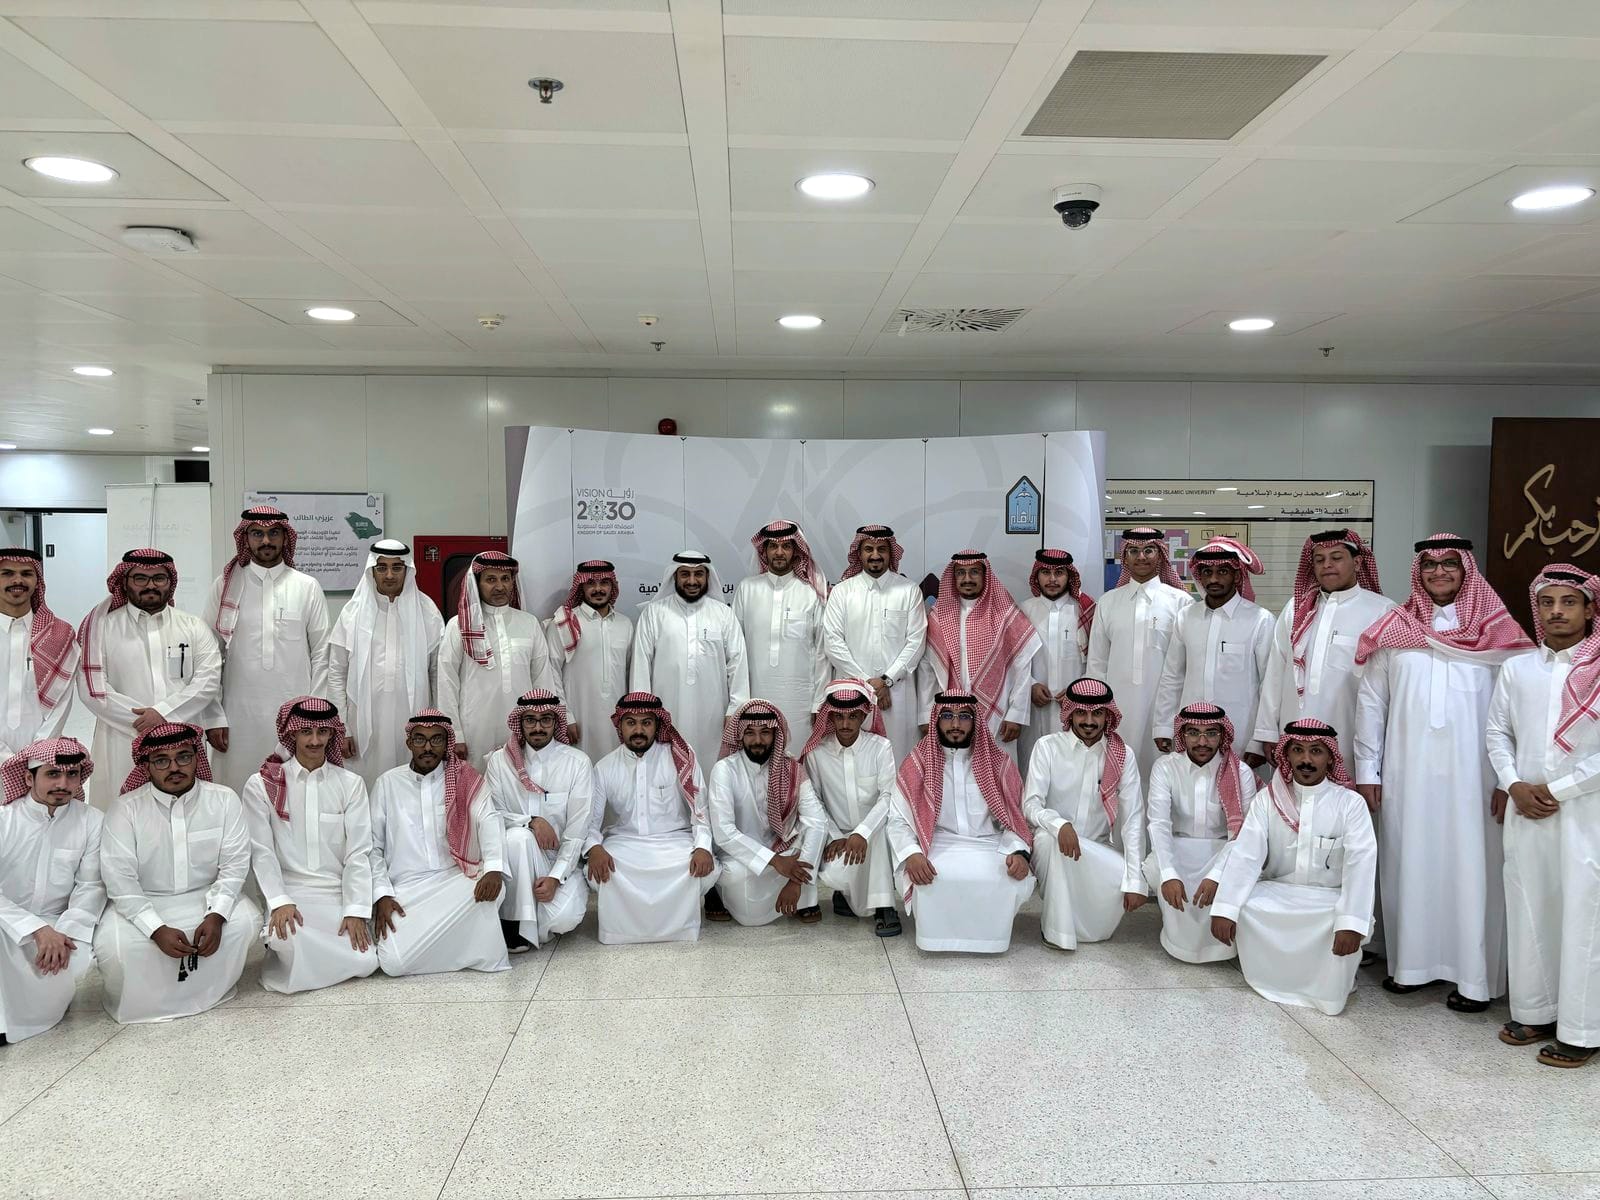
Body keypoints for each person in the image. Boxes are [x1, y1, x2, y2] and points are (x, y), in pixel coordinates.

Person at [1355, 535, 1531, 1012]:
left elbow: (1517, 715)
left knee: (1472, 868)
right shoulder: (1395, 630)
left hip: (1476, 779)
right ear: (1418, 573)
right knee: (1408, 862)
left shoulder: (1501, 635)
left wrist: (1507, 779)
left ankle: (1473, 979)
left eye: (1449, 564)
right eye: (1429, 565)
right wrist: (1369, 770)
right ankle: (1410, 967)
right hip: (1406, 774)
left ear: (1466, 570)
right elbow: (1371, 704)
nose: (1439, 572)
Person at [1485, 563, 1600, 1068]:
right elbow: (1496, 732)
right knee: (1530, 905)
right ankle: (1535, 1010)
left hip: (1586, 812)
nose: (1557, 611)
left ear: (1590, 609)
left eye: (1568, 602)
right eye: (1547, 602)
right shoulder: (1518, 669)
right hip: (1526, 809)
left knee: (1584, 914)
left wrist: (1556, 790)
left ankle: (1582, 1028)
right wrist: (1513, 783)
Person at [95, 723, 260, 1023]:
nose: (174, 767)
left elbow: (235, 864)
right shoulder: (125, 809)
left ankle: (212, 990)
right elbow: (119, 880)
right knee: (118, 948)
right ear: (147, 765)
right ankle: (142, 1005)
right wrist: (155, 929)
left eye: (183, 757)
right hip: (145, 902)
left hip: (206, 898)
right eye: (161, 760)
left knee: (246, 921)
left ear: (197, 757)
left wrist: (217, 915)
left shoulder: (224, 800)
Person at [1210, 719, 1377, 1016]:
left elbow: (1361, 864)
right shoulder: (1267, 800)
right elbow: (1246, 855)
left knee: (1341, 920)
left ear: (1330, 758)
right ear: (1286, 755)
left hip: (1327, 900)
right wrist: (1226, 908)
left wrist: (1351, 922)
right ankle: (1272, 980)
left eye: (1316, 751)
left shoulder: (1350, 804)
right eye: (1298, 750)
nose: (1306, 759)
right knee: (1249, 906)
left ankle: (1329, 987)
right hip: (1278, 892)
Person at [240, 697, 377, 995]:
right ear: (292, 733)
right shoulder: (261, 784)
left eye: (322, 732)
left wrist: (355, 909)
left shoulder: (351, 783)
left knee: (365, 961)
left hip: (336, 892)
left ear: (332, 734)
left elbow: (358, 853)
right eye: (306, 732)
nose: (315, 741)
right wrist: (279, 901)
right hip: (292, 894)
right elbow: (262, 852)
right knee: (290, 938)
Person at [887, 692, 1034, 954]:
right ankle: (935, 941)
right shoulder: (917, 765)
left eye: (964, 717)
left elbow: (1017, 818)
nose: (955, 724)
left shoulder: (999, 764)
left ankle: (991, 942)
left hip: (989, 844)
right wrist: (912, 854)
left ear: (975, 721)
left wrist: (1018, 852)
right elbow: (898, 820)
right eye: (947, 716)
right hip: (936, 843)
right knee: (930, 877)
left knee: (1006, 877)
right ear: (936, 720)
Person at [75, 548, 223, 808]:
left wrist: (163, 715)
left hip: (181, 738)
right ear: (125, 582)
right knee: (122, 808)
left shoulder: (193, 626)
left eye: (159, 578)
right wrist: (144, 722)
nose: (150, 585)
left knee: (185, 812)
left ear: (170, 582)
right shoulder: (102, 629)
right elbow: (93, 690)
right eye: (140, 578)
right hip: (122, 736)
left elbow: (208, 680)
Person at [368, 709, 509, 977]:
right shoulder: (387, 783)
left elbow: (490, 820)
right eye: (420, 739)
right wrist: (382, 894)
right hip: (406, 888)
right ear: (409, 743)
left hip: (455, 881)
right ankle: (458, 942)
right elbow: (373, 847)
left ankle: (454, 946)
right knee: (394, 963)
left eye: (436, 739)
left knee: (492, 890)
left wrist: (493, 868)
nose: (428, 747)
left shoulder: (465, 779)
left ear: (447, 743)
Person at [203, 506, 331, 793]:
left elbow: (322, 654)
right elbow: (208, 657)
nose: (266, 540)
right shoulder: (225, 586)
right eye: (257, 533)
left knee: (294, 793)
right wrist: (213, 716)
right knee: (236, 790)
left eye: (273, 533)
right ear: (245, 538)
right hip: (237, 716)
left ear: (285, 538)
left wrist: (314, 716)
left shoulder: (307, 586)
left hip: (295, 716)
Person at [584, 692, 719, 945]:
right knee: (603, 870)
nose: (638, 730)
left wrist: (702, 847)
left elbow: (700, 811)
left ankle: (680, 931)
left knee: (692, 868)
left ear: (657, 725)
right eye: (631, 723)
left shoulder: (680, 758)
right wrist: (594, 848)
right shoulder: (604, 767)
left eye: (646, 722)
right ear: (620, 725)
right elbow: (590, 821)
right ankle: (618, 934)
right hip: (625, 842)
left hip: (675, 841)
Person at [1022, 678, 1146, 951]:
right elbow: (1030, 805)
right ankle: (1056, 932)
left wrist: (1135, 880)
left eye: (1097, 713)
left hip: (1097, 851)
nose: (1089, 721)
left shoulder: (1122, 755)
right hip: (1053, 845)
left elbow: (1133, 819)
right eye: (1081, 713)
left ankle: (1074, 923)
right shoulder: (1047, 746)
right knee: (1048, 840)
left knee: (1101, 925)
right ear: (1070, 713)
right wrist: (1059, 825)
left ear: (1107, 715)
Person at [1253, 529, 1393, 767]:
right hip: (1294, 733)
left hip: (1351, 737)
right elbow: (1275, 672)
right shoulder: (1295, 609)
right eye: (1319, 559)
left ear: (1358, 562)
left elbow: (1384, 689)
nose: (1327, 565)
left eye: (1336, 557)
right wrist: (1267, 732)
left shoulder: (1382, 611)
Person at [0, 738, 104, 1043]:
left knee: (62, 966)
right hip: (8, 921)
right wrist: (35, 929)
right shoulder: (5, 820)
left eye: (72, 774)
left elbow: (91, 886)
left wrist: (64, 933)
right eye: (53, 774)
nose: (63, 784)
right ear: (27, 778)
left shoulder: (92, 820)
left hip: (63, 927)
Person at [1144, 702, 1257, 963]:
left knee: (1239, 873)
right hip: (1178, 847)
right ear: (1182, 735)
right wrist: (1170, 873)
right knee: (1156, 867)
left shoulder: (1240, 772)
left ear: (1222, 734)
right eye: (1193, 733)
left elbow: (1244, 835)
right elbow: (1159, 823)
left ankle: (1221, 946)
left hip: (1225, 851)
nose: (1202, 742)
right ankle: (1177, 941)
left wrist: (1217, 875)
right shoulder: (1165, 767)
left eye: (1211, 733)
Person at [483, 690, 594, 952]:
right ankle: (515, 924)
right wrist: (531, 821)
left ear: (556, 722)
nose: (537, 727)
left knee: (563, 919)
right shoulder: (500, 761)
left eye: (545, 720)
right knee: (518, 837)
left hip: (558, 861)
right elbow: (491, 814)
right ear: (520, 723)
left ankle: (527, 918)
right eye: (530, 720)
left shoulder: (577, 763)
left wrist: (555, 877)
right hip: (515, 859)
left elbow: (577, 831)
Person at [327, 540, 444, 788]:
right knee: (363, 786)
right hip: (362, 725)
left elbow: (437, 674)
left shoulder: (427, 612)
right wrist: (341, 727)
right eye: (382, 568)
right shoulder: (352, 613)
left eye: (396, 567)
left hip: (414, 721)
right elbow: (336, 674)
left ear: (407, 570)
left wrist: (437, 725)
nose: (389, 575)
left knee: (411, 788)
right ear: (372, 570)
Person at [1151, 537, 1274, 764]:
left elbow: (1270, 684)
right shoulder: (1186, 617)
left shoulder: (1260, 620)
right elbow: (1172, 676)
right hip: (1191, 734)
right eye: (1207, 572)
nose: (1214, 579)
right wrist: (1163, 726)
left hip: (1242, 735)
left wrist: (1259, 741)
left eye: (1223, 571)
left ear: (1237, 575)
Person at [438, 551, 562, 772]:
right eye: (491, 579)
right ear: (477, 583)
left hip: (524, 727)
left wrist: (546, 724)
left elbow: (542, 678)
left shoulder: (529, 623)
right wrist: (454, 733)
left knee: (520, 783)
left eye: (505, 579)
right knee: (477, 786)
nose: (499, 586)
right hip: (474, 729)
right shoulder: (458, 626)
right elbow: (447, 682)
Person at [707, 701, 825, 925]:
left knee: (810, 842)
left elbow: (817, 820)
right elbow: (724, 832)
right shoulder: (725, 770)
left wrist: (795, 881)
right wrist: (774, 861)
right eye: (750, 733)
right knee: (735, 875)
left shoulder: (792, 768)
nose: (757, 741)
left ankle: (800, 891)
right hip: (741, 856)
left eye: (765, 733)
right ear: (740, 735)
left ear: (775, 734)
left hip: (783, 848)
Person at [1086, 528, 1191, 779]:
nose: (1141, 557)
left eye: (1148, 550)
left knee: (1164, 776)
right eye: (1133, 551)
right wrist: (1097, 710)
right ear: (1125, 557)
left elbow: (1187, 666)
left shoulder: (1181, 602)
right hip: (1117, 709)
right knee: (1119, 775)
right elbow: (1097, 664)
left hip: (1164, 712)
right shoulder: (1108, 602)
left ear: (1160, 555)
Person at [916, 551, 1040, 764]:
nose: (967, 579)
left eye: (974, 572)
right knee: (955, 773)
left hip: (999, 716)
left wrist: (1016, 714)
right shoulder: (939, 616)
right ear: (953, 578)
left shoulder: (1005, 614)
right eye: (961, 573)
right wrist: (926, 715)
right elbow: (927, 669)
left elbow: (1022, 665)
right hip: (951, 715)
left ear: (985, 576)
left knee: (998, 772)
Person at [631, 551, 748, 769]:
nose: (692, 581)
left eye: (698, 574)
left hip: (714, 715)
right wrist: (643, 713)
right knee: (667, 771)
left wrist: (736, 709)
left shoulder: (723, 614)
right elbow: (641, 665)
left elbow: (737, 663)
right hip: (666, 713)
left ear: (708, 577)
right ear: (674, 576)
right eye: (685, 574)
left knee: (712, 768)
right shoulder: (654, 613)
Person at [822, 524, 928, 764]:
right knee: (856, 761)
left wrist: (887, 680)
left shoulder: (909, 591)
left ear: (891, 554)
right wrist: (868, 686)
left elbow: (916, 642)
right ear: (859, 554)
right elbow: (833, 643)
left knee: (898, 757)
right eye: (868, 549)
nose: (875, 555)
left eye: (882, 549)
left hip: (897, 694)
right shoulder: (842, 592)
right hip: (853, 693)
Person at [803, 679, 900, 936]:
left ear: (864, 716)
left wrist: (862, 833)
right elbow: (814, 803)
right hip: (837, 837)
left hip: (875, 833)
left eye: (853, 716)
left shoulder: (880, 748)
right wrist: (835, 836)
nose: (845, 724)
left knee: (878, 835)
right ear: (830, 717)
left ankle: (885, 907)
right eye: (839, 716)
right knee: (839, 872)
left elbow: (888, 796)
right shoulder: (816, 753)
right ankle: (845, 894)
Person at [732, 522, 830, 754]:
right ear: (763, 551)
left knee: (796, 757)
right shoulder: (747, 589)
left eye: (786, 546)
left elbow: (822, 652)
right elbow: (734, 649)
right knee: (759, 756)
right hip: (754, 694)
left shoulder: (811, 592)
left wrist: (819, 702)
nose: (779, 552)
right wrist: (737, 701)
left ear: (796, 551)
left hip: (801, 701)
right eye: (773, 546)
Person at [545, 560, 633, 761]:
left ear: (613, 586)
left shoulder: (625, 624)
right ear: (581, 587)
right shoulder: (564, 623)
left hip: (617, 720)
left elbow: (630, 673)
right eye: (591, 583)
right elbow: (551, 671)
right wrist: (565, 716)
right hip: (578, 718)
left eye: (604, 583)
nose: (598, 589)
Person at [1018, 548, 1095, 776]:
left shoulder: (1085, 611)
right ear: (1036, 576)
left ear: (1069, 576)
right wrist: (1031, 684)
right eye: (1046, 573)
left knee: (1072, 771)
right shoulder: (1024, 610)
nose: (1052, 579)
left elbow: (1098, 659)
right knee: (1032, 768)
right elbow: (1013, 660)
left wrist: (1078, 691)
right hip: (1033, 708)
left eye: (1059, 573)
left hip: (1076, 708)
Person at [0, 548, 77, 758]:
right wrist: (6, 759)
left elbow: (62, 703)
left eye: (26, 573)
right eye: (7, 573)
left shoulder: (59, 634)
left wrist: (36, 757)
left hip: (41, 758)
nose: (17, 580)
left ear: (37, 581)